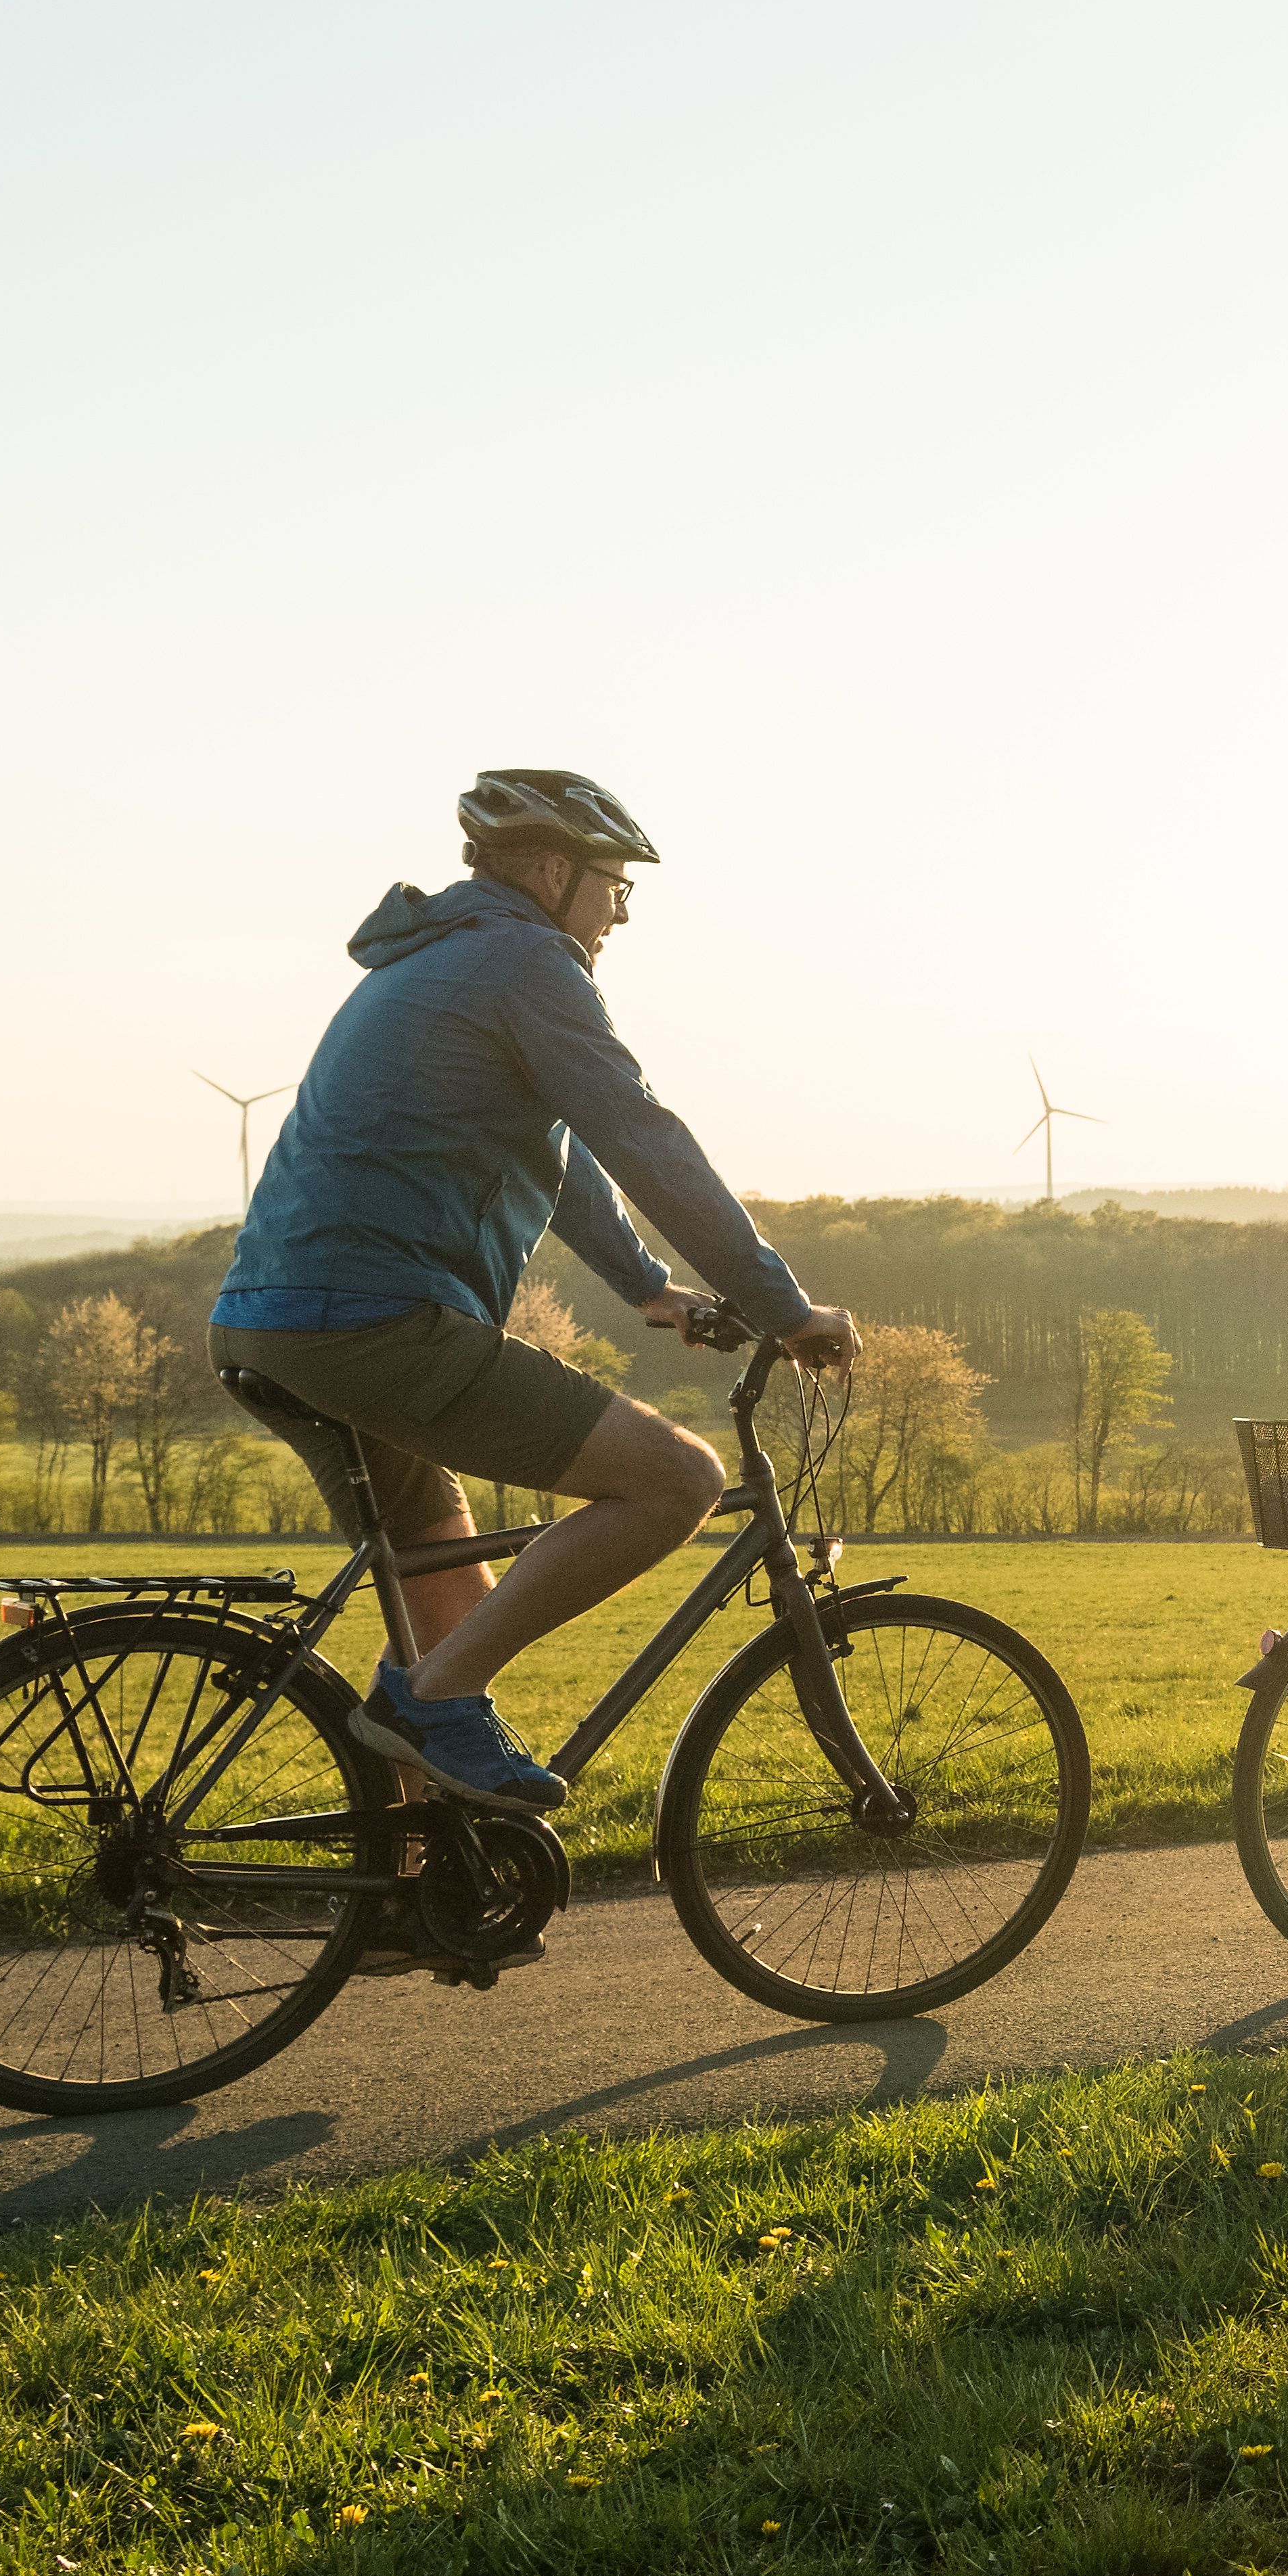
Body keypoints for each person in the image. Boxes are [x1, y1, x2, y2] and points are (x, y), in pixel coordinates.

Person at [208, 770, 858, 1811]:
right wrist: (784, 1306)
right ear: (554, 872)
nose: (617, 916)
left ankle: (412, 1890)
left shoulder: (443, 957)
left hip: (270, 1322)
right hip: (377, 1325)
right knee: (677, 1482)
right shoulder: (527, 959)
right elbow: (638, 1134)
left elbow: (553, 1151)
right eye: (614, 888)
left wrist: (650, 1287)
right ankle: (426, 1707)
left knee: (447, 1604)